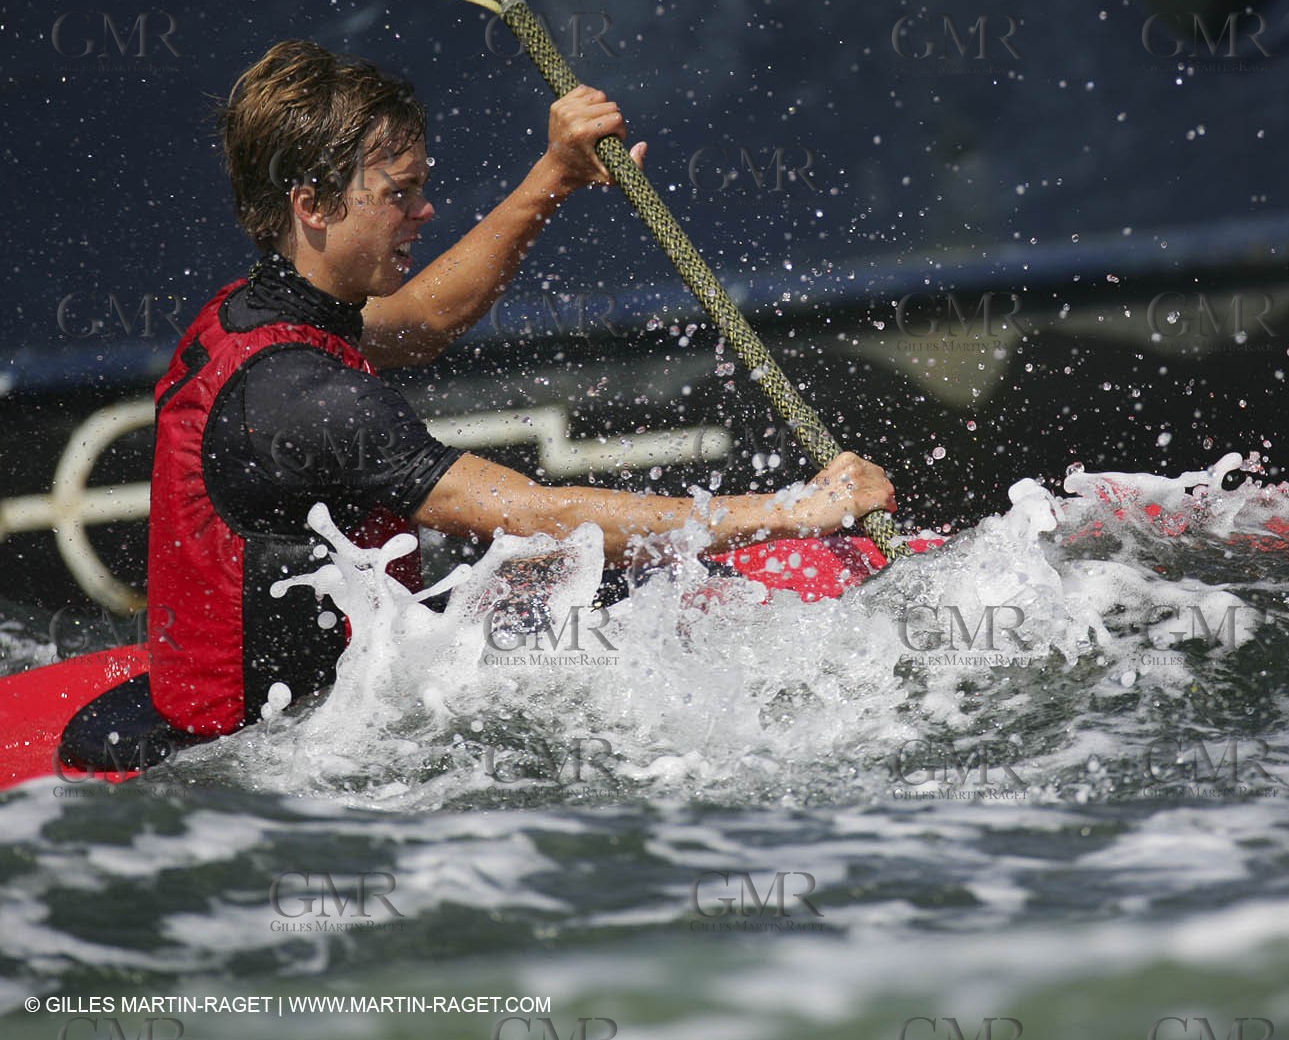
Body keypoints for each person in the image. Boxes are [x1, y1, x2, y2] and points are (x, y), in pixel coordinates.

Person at [58, 40, 893, 772]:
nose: (423, 210)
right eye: (399, 192)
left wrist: (556, 175)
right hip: (263, 759)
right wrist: (791, 511)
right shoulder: (305, 397)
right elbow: (537, 515)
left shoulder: (253, 316)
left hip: (273, 716)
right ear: (312, 204)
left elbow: (419, 324)